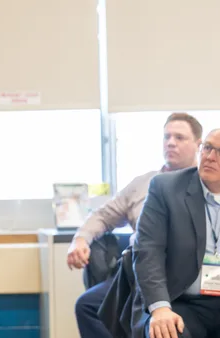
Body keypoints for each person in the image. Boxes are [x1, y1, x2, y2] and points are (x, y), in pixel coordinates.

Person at [67, 113, 202, 338]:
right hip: (139, 272)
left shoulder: (205, 183)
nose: (171, 142)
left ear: (198, 144)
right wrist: (80, 239)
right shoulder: (144, 184)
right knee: (88, 306)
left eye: (180, 137)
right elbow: (104, 215)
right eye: (167, 137)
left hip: (187, 276)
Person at [133, 128, 220, 338]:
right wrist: (160, 308)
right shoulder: (167, 188)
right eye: (207, 147)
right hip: (178, 301)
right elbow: (147, 251)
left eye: (219, 151)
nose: (209, 157)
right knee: (167, 333)